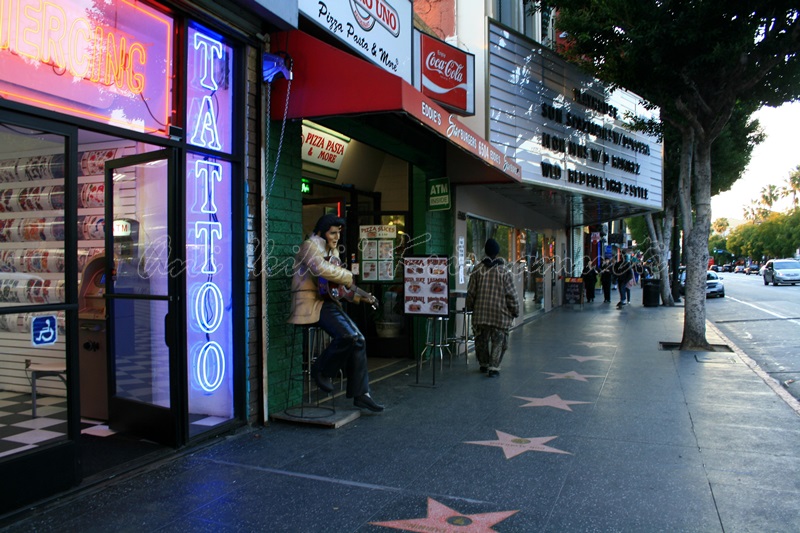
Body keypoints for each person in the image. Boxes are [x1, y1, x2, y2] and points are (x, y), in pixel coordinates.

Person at [287, 214, 384, 412]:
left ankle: (361, 394)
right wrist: (348, 275)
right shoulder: (309, 247)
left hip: (325, 302)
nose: (337, 237)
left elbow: (335, 287)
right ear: (321, 232)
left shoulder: (333, 252)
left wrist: (359, 297)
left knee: (358, 339)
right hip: (309, 304)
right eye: (333, 233)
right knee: (348, 335)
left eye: (338, 233)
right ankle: (321, 370)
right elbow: (321, 269)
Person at [466, 238, 520, 377]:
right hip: (499, 315)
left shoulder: (477, 270)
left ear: (485, 251)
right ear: (497, 253)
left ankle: (483, 364)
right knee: (499, 341)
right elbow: (511, 295)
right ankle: (493, 367)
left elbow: (471, 292)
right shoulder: (504, 271)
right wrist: (515, 310)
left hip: (481, 314)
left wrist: (469, 306)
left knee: (481, 340)